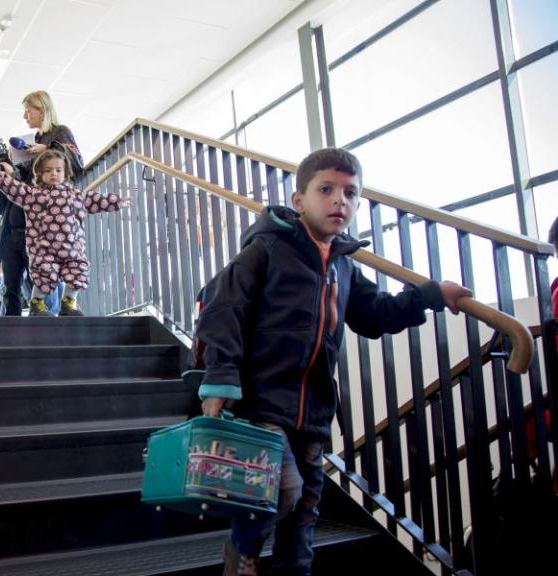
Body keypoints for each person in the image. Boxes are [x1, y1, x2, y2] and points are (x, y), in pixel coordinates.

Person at [194, 148, 472, 576]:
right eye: (326, 189)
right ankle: (243, 550)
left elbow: (376, 314)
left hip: (315, 411)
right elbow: (223, 306)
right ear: (299, 199)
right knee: (282, 491)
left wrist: (430, 296)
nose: (339, 200)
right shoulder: (268, 248)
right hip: (262, 402)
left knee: (305, 508)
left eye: (350, 193)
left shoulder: (343, 266)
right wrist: (220, 376)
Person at [0, 149, 130, 316]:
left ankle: (68, 303)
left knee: (79, 272)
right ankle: (37, 304)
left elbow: (97, 200)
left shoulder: (76, 196)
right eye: (48, 171)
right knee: (44, 276)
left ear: (65, 173)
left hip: (72, 249)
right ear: (40, 174)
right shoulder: (34, 196)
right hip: (44, 249)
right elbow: (15, 188)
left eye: (58, 170)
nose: (53, 174)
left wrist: (118, 202)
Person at [0, 90, 82, 316]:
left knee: (43, 286)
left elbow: (77, 164)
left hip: (43, 227)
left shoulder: (59, 133)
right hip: (19, 223)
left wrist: (49, 149)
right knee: (14, 288)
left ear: (41, 110)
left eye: (28, 110)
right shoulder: (37, 141)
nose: (25, 116)